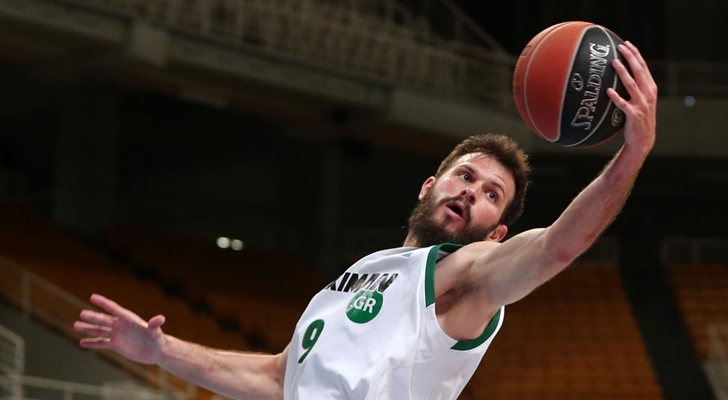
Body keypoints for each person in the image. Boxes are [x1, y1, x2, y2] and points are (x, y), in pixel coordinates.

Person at [73, 40, 657, 399]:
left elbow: (556, 248)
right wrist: (160, 351)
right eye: (463, 175)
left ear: (496, 233)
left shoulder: (466, 276)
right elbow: (276, 379)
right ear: (429, 186)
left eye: (491, 194)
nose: (471, 191)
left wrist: (631, 153)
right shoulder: (347, 283)